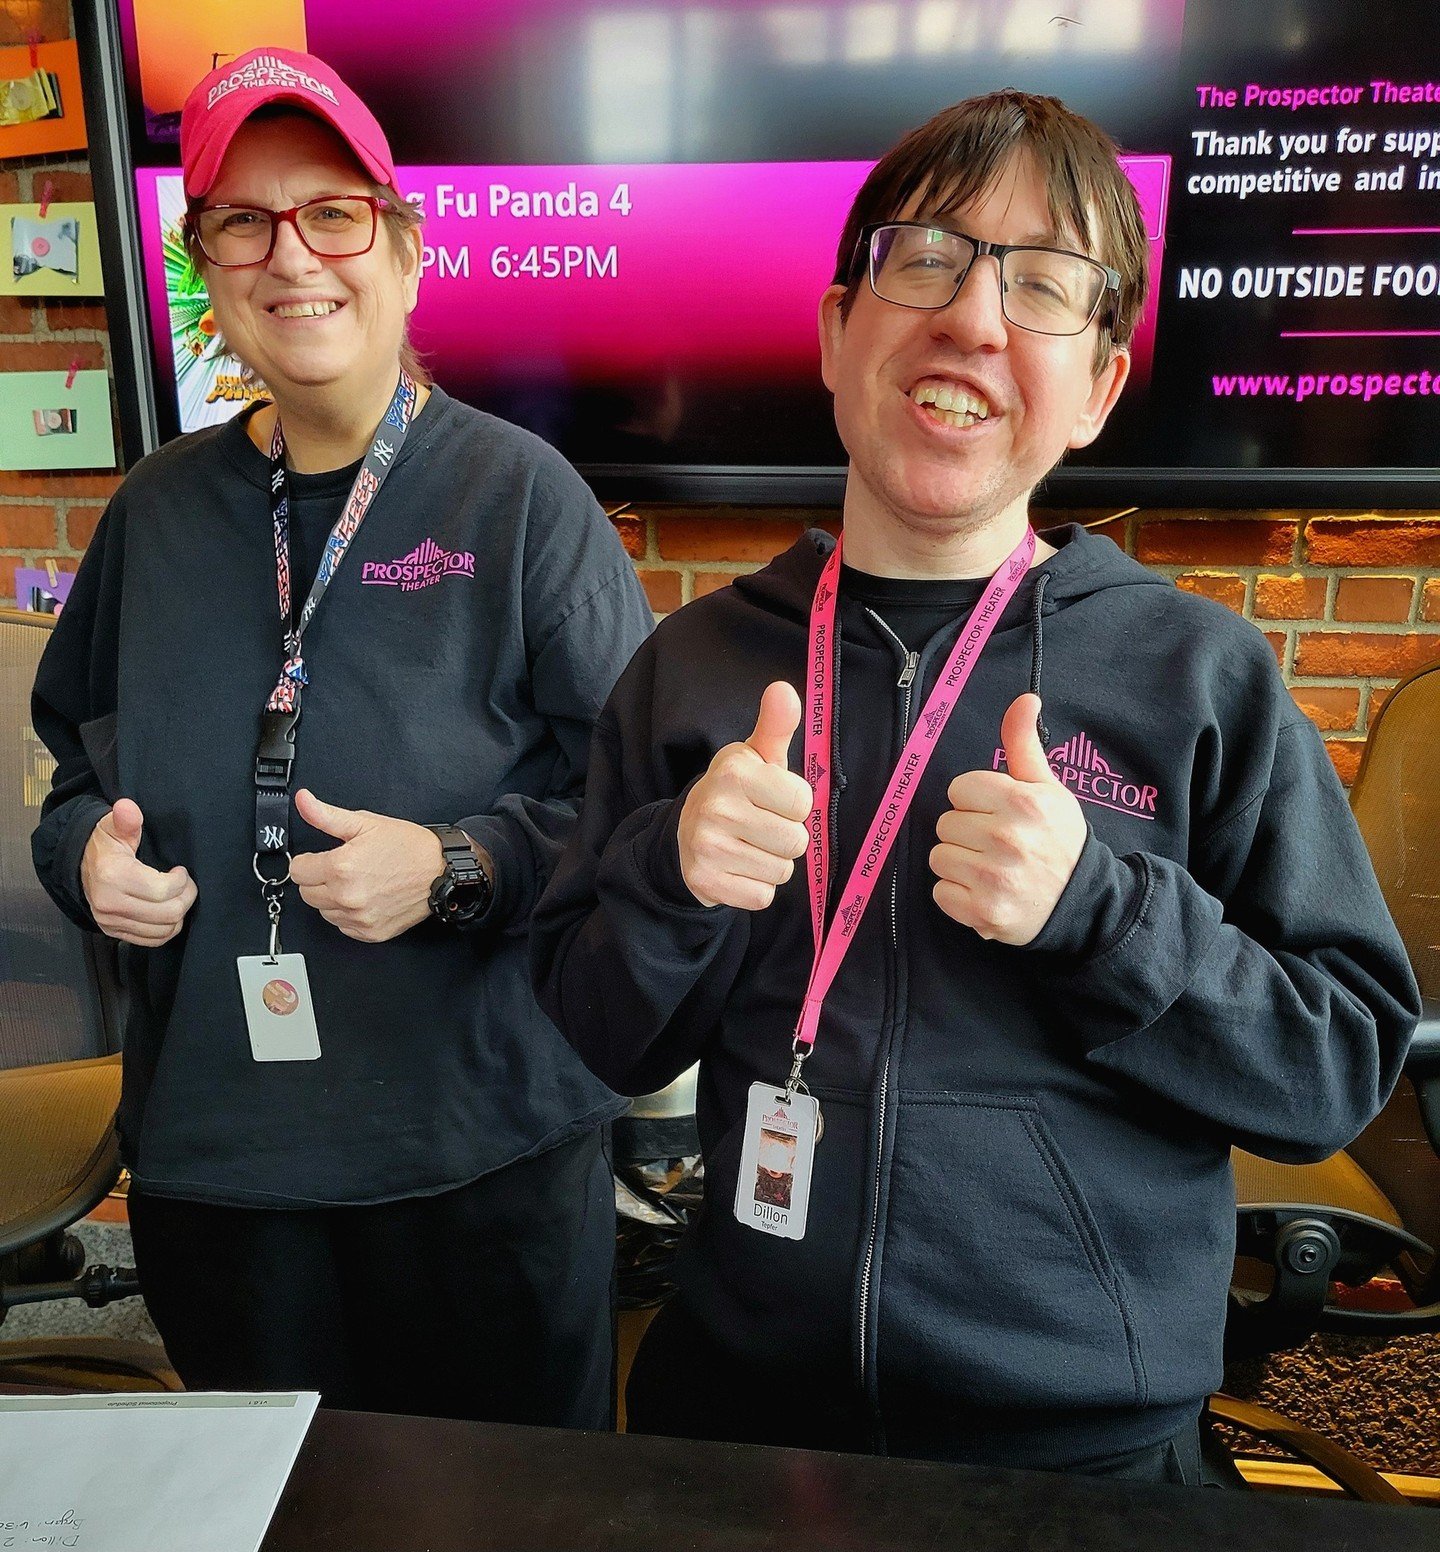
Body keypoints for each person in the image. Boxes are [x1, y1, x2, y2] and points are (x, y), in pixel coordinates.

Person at [531, 91, 1421, 1480]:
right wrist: (669, 876)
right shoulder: (697, 667)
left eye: (1046, 285)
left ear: (1101, 387)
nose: (973, 319)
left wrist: (1103, 914)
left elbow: (1336, 1067)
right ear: (838, 333)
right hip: (745, 1427)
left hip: (1087, 1451)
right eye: (927, 259)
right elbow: (595, 1039)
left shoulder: (1200, 677)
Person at [32, 48, 653, 1426]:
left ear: (405, 246)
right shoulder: (155, 514)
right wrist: (87, 857)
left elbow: (635, 816)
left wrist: (455, 861)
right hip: (223, 1169)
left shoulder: (522, 499)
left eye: (330, 210)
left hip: (477, 1163)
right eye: (242, 222)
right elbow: (71, 773)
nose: (289, 255)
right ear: (204, 262)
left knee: (506, 1525)